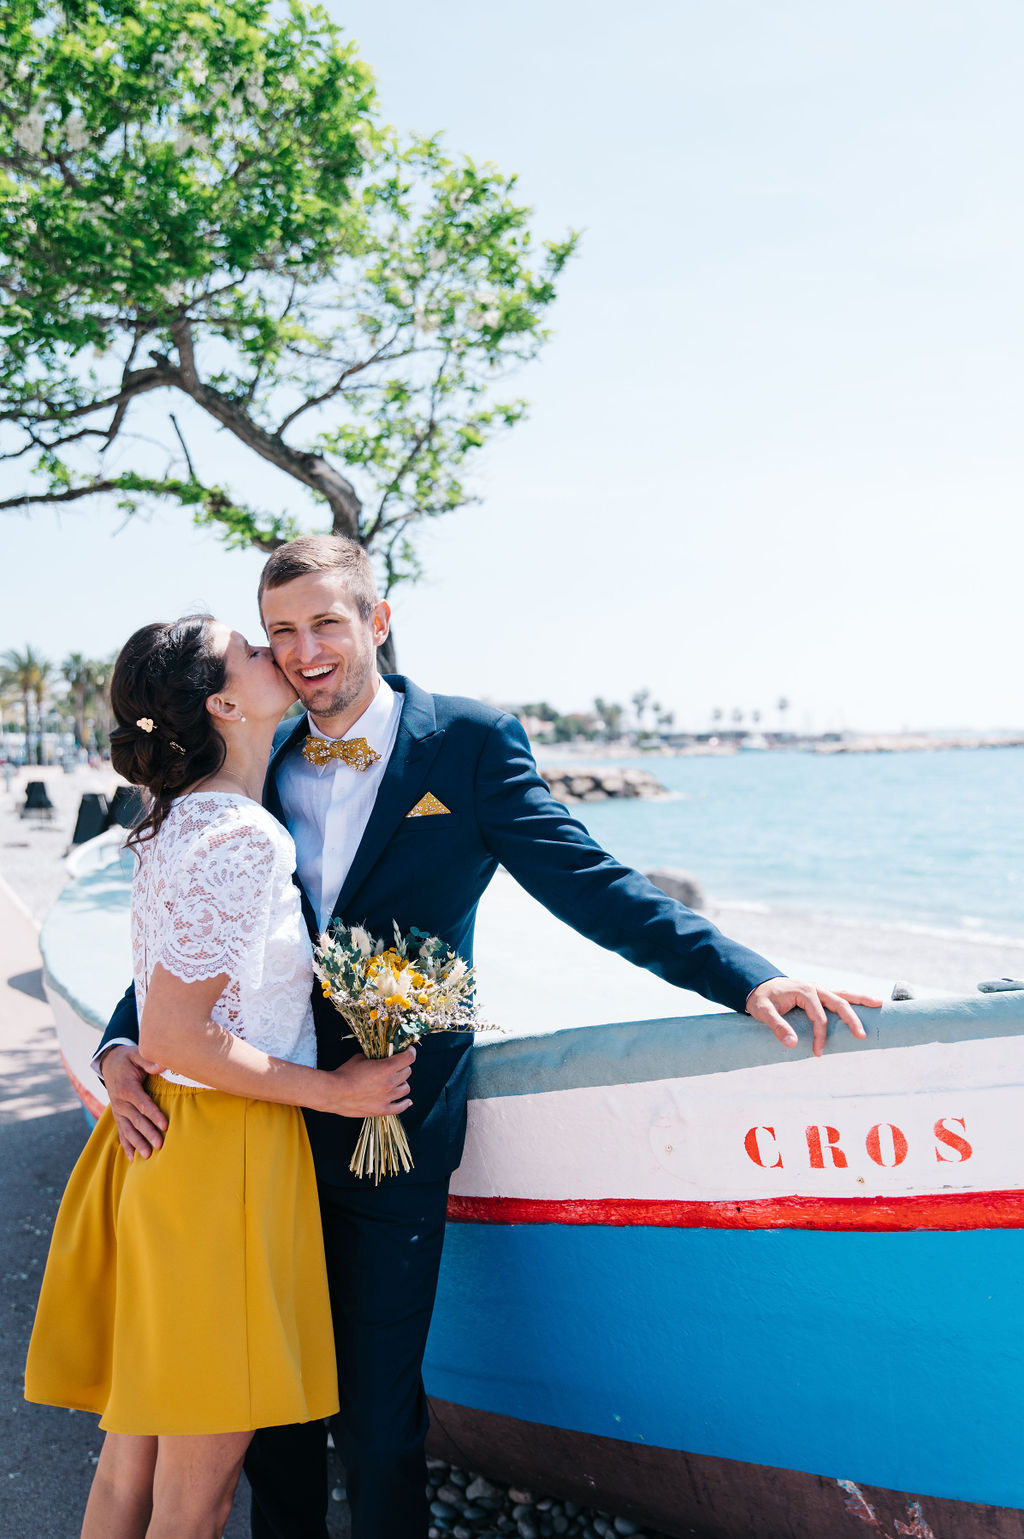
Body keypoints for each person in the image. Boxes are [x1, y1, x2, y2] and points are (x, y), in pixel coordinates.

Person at [95, 538, 881, 1539]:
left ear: (377, 621)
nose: (302, 650)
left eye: (326, 622)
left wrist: (748, 976)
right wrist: (122, 1046)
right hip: (263, 1136)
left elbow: (590, 883)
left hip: (396, 1133)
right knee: (272, 1424)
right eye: (279, 630)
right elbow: (203, 937)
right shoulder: (259, 747)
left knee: (379, 1422)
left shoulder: (466, 742)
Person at [25, 614, 412, 1539]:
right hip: (226, 1159)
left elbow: (163, 1017)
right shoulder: (243, 834)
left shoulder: (174, 820)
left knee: (136, 1458)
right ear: (226, 702)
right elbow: (177, 1031)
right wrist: (340, 1090)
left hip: (173, 1153)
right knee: (197, 1490)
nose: (274, 652)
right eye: (249, 647)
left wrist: (122, 1053)